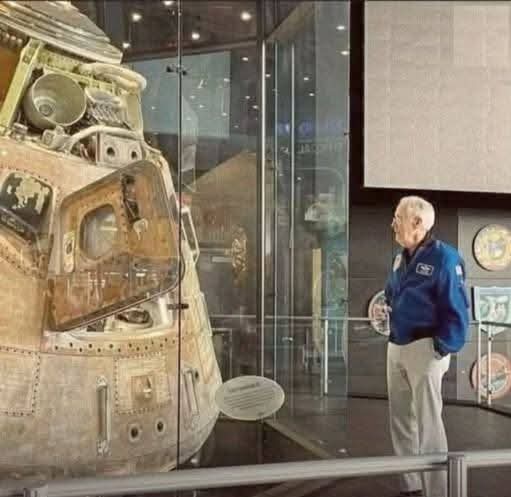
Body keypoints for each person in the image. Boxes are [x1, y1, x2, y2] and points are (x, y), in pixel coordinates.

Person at [383, 196, 469, 497]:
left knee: (428, 423)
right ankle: (411, 485)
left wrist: (440, 347)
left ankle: (438, 491)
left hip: (426, 347)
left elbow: (458, 309)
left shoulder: (446, 258)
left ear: (418, 223)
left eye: (398, 218)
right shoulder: (400, 258)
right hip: (397, 344)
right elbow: (391, 292)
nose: (393, 223)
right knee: (400, 420)